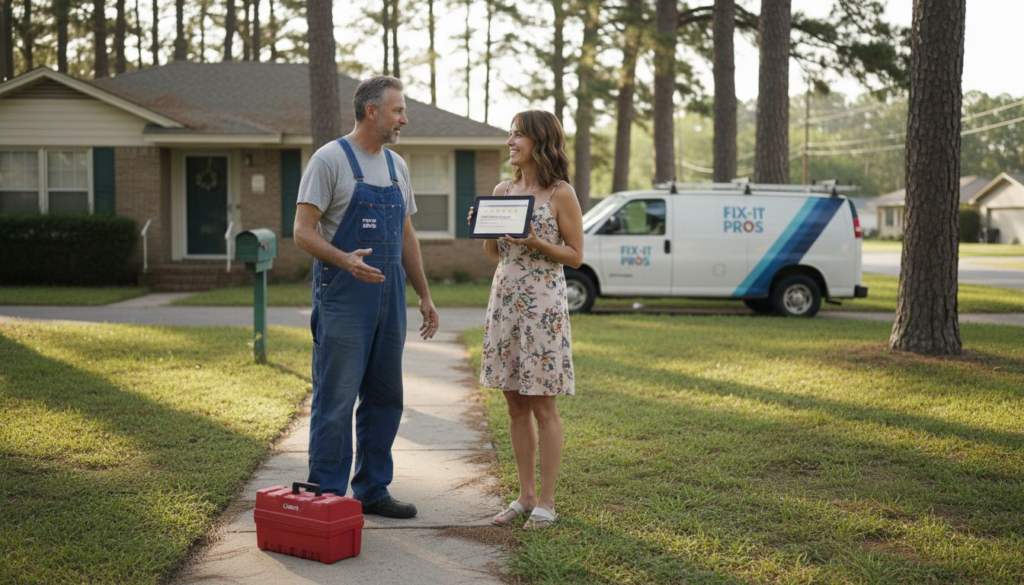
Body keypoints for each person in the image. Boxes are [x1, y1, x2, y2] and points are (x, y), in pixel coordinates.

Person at [293, 75, 439, 519]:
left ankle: (372, 489)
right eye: (398, 110)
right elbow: (301, 232)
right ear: (372, 111)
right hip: (343, 294)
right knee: (336, 398)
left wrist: (424, 295)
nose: (404, 119)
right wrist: (344, 260)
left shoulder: (397, 166)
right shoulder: (329, 160)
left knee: (385, 396)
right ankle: (327, 495)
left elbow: (407, 236)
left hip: (389, 295)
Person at [470, 110, 583, 529]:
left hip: (543, 308)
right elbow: (496, 254)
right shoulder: (503, 190)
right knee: (514, 401)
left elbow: (575, 254)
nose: (510, 142)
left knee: (542, 403)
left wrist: (536, 240)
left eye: (517, 135)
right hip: (505, 303)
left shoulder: (560, 193)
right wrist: (487, 233)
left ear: (540, 141)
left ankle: (547, 503)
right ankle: (524, 496)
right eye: (510, 134)